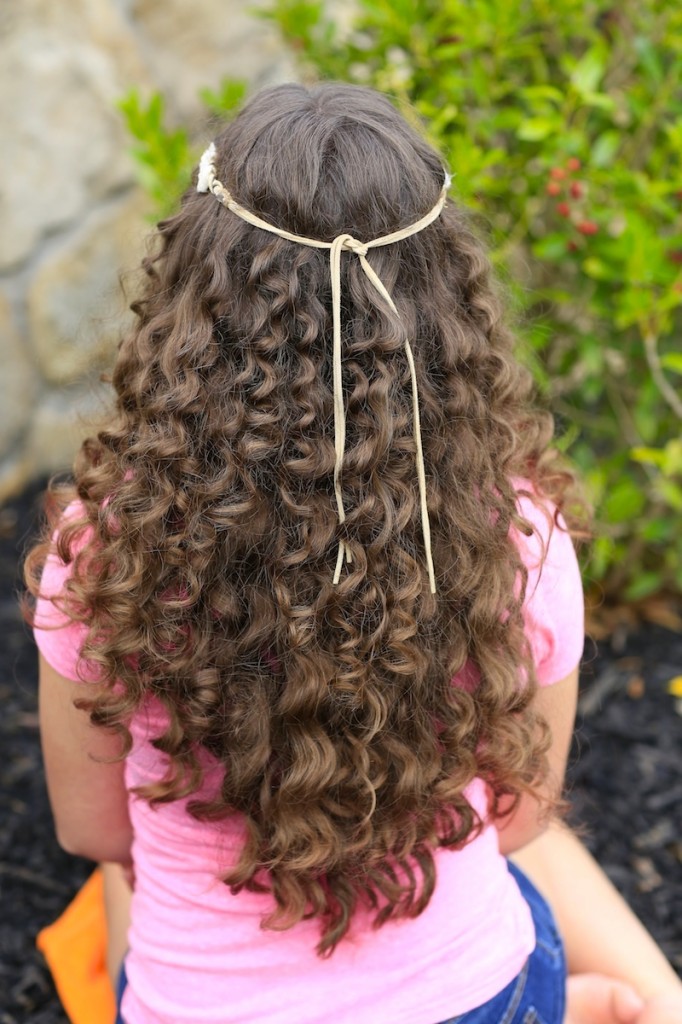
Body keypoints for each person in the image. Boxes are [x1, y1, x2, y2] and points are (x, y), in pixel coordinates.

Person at [25, 83, 681, 1024]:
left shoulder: (103, 551)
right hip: (471, 1000)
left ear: (197, 299)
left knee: (135, 884)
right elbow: (522, 819)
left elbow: (91, 828)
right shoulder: (518, 537)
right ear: (444, 302)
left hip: (197, 1008)